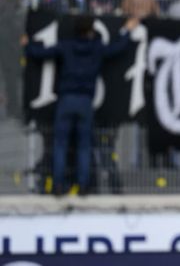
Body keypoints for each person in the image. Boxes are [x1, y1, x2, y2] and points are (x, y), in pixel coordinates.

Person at [24, 15, 140, 195]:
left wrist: (27, 44)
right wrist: (127, 30)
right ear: (91, 30)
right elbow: (117, 48)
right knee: (84, 145)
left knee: (60, 144)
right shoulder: (96, 48)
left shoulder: (66, 46)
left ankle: (58, 185)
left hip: (66, 99)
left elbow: (40, 53)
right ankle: (84, 186)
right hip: (85, 101)